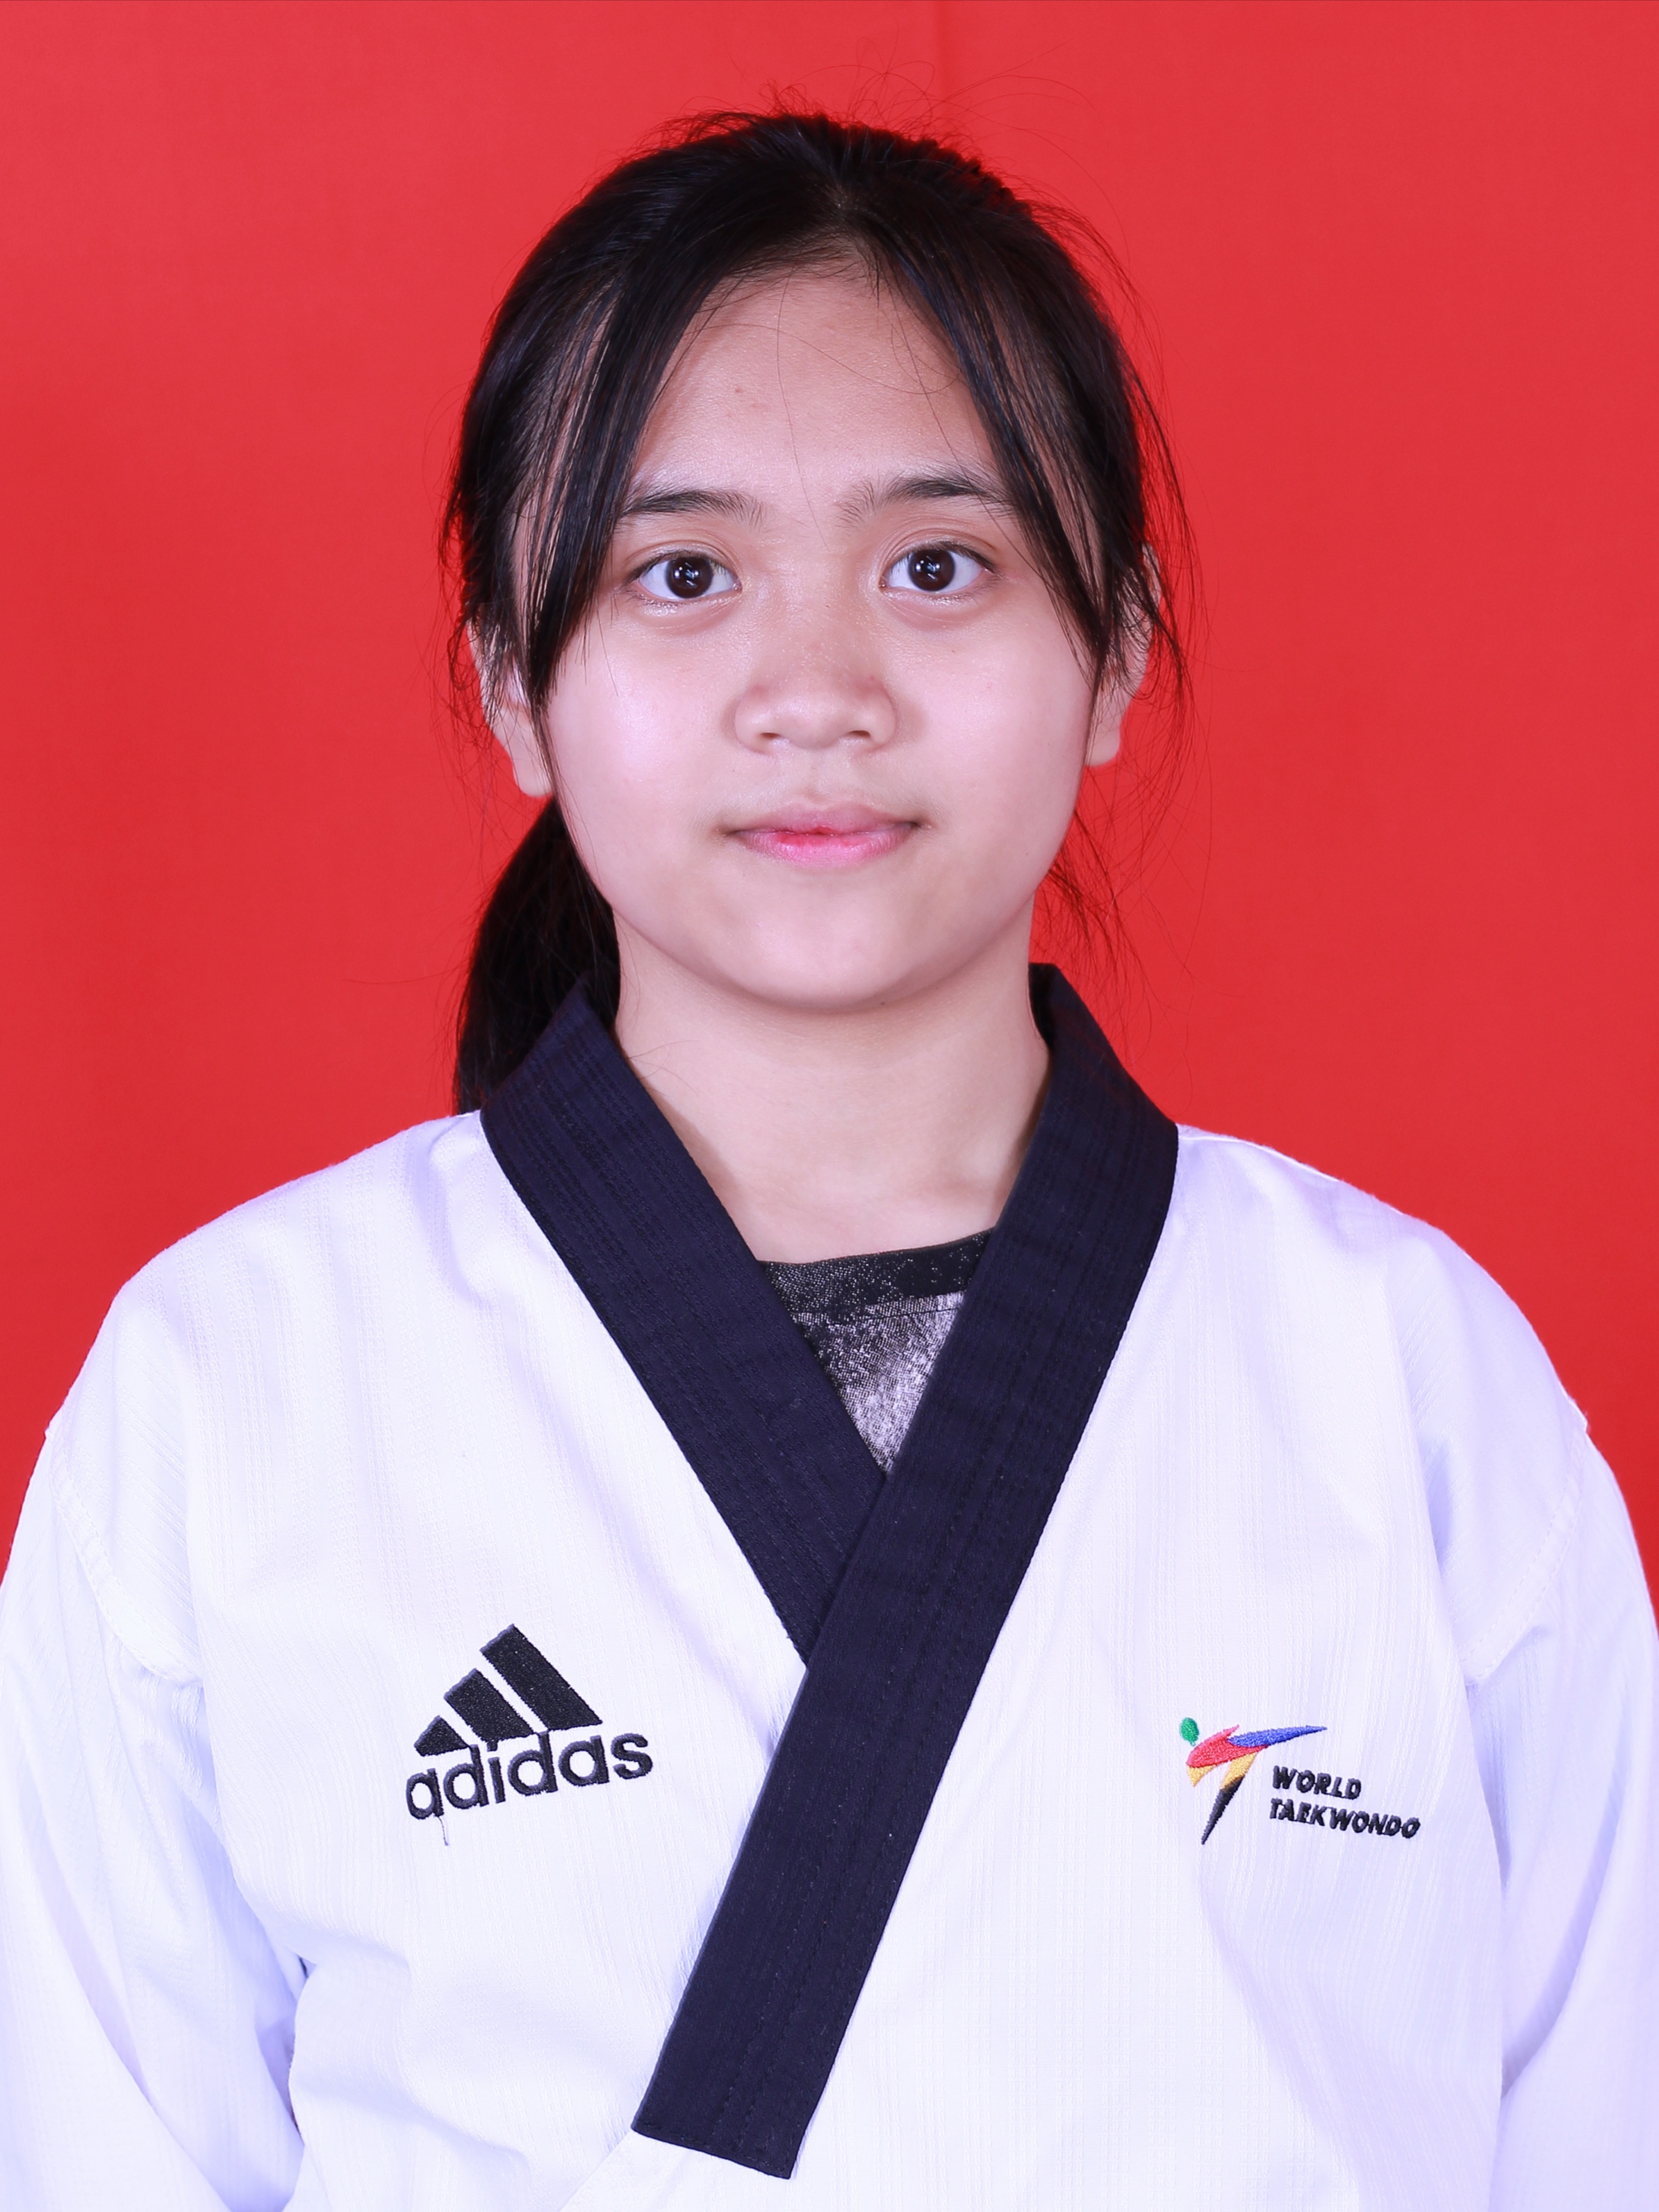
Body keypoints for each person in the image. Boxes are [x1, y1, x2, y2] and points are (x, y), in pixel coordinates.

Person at [0, 110, 1652, 2212]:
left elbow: (1601, 2136)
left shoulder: (1400, 1376)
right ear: (513, 680)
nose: (816, 693)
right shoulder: (236, 1384)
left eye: (935, 566)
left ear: (1115, 648)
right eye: (683, 576)